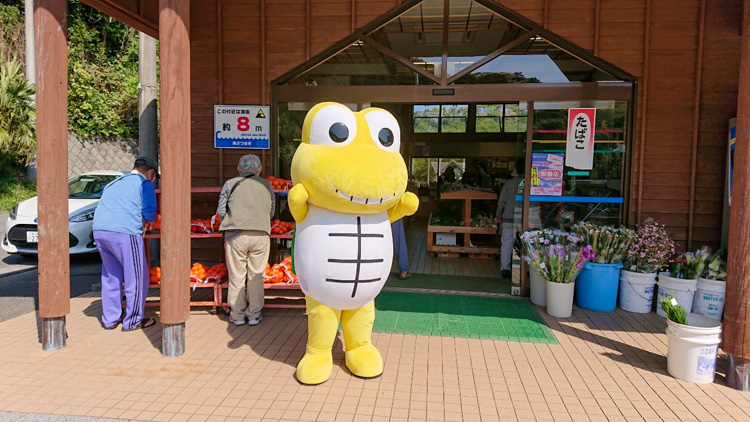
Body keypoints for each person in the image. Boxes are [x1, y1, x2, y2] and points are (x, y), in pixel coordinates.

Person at [92, 156, 158, 331]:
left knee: (110, 276)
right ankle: (133, 320)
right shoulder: (144, 184)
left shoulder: (113, 183)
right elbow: (150, 212)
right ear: (151, 172)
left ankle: (110, 319)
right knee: (136, 276)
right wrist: (151, 221)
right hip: (125, 233)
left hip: (100, 231)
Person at [216, 154, 275, 326]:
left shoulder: (230, 183)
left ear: (238, 169)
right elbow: (270, 212)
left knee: (237, 276)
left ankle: (237, 315)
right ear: (259, 170)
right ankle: (254, 314)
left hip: (236, 234)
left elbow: (221, 211)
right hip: (261, 234)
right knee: (256, 276)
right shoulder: (267, 185)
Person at [495, 158, 525, 280]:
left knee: (506, 244)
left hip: (508, 217)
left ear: (516, 169)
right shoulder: (530, 184)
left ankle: (505, 269)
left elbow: (501, 202)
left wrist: (498, 216)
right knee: (526, 245)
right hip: (525, 219)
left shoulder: (509, 184)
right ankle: (526, 269)